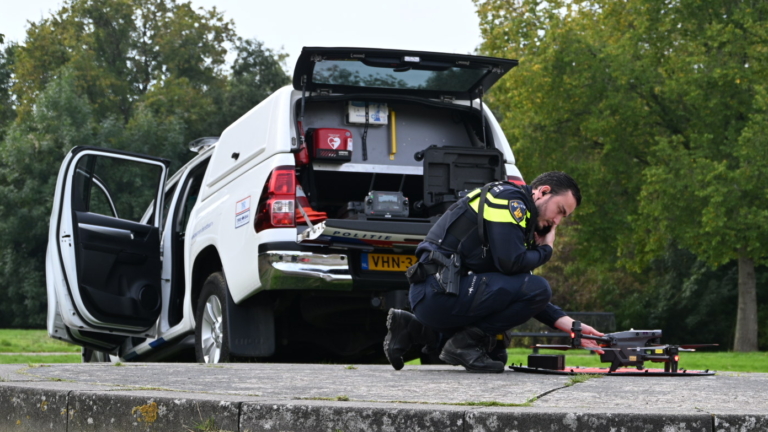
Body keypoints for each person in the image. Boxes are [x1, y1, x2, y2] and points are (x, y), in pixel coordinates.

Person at [383, 172, 604, 373]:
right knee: (538, 287)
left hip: (441, 293)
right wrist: (546, 250)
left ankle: (412, 328)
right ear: (543, 192)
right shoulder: (508, 199)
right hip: (439, 293)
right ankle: (463, 344)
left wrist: (572, 327)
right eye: (560, 211)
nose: (557, 221)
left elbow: (519, 288)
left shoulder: (517, 212)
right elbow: (512, 265)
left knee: (495, 351)